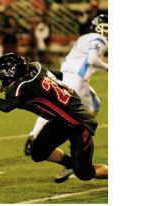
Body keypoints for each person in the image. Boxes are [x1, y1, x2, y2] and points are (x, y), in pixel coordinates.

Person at [0, 53, 108, 183]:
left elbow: (7, 106)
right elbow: (59, 76)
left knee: (84, 173)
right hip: (60, 120)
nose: (1, 80)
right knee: (38, 152)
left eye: (2, 76)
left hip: (78, 123)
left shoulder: (24, 86)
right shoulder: (35, 68)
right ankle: (69, 164)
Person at [24, 14, 108, 182]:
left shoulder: (84, 38)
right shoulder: (99, 39)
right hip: (77, 81)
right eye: (106, 27)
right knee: (92, 107)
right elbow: (91, 60)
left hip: (63, 77)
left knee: (55, 106)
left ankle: (37, 134)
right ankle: (79, 137)